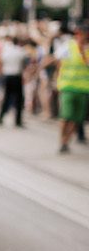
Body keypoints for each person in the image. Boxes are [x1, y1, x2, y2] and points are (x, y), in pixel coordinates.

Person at [55, 22, 89, 154]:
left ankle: (66, 141)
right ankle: (62, 141)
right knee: (65, 116)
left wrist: (83, 51)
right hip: (67, 86)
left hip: (84, 89)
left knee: (76, 118)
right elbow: (58, 61)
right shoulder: (68, 46)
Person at [0, 35, 28, 127]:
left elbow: (1, 61)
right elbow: (24, 63)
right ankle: (17, 121)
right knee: (18, 99)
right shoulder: (21, 51)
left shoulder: (6, 51)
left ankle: (1, 117)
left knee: (6, 97)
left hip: (7, 76)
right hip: (16, 76)